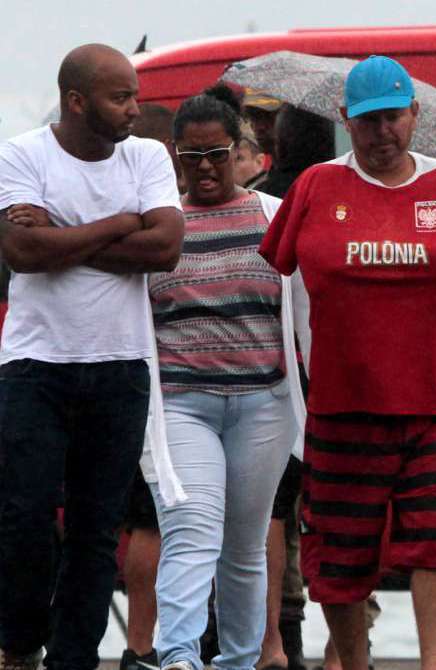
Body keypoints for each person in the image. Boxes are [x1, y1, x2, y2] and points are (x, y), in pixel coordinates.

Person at [259, 54, 436, 670]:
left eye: (394, 117)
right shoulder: (315, 185)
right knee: (338, 561)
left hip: (431, 407)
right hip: (339, 409)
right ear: (345, 119)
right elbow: (275, 264)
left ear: (415, 114)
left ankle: (432, 666)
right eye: (367, 121)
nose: (382, 132)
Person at [0, 43, 184, 670]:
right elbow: (22, 253)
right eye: (120, 97)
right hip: (35, 366)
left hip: (121, 365)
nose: (136, 108)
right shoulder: (22, 153)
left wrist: (62, 233)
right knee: (24, 518)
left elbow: (164, 249)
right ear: (77, 102)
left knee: (94, 530)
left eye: (134, 94)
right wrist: (119, 221)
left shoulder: (148, 155)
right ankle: (19, 643)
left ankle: (72, 660)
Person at [141, 88, 307, 670]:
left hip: (264, 404)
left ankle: (238, 660)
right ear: (174, 155)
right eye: (192, 157)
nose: (205, 167)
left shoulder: (274, 215)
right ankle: (179, 656)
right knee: (190, 526)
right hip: (183, 404)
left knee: (244, 545)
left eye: (217, 153)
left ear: (240, 151)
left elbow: (303, 314)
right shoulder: (161, 227)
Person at [254, 102, 337, 670]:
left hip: (278, 372)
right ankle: (348, 646)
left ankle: (278, 640)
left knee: (272, 512)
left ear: (280, 143)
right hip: (335, 370)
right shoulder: (343, 198)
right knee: (340, 513)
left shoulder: (260, 199)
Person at [118, 101, 183, 670]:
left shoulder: (128, 210)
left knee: (148, 520)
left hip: (137, 377)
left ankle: (140, 645)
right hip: (176, 383)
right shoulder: (171, 214)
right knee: (166, 522)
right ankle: (162, 642)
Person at [233, 120, 269, 190]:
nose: (230, 165)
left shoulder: (269, 194)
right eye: (228, 158)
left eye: (238, 158)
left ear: (259, 162)